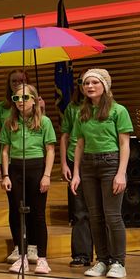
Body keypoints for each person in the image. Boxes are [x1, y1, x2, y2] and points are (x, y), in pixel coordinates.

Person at [71, 68, 133, 279]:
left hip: (110, 163)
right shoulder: (82, 112)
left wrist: (121, 173)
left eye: (94, 83)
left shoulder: (118, 110)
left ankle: (118, 261)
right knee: (94, 216)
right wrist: (76, 173)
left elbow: (125, 144)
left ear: (104, 86)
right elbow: (79, 144)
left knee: (112, 216)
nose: (89, 86)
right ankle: (102, 259)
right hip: (88, 166)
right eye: (86, 83)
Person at [0, 83, 55, 275]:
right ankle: (21, 256)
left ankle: (42, 258)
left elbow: (50, 150)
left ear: (34, 99)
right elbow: (5, 151)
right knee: (17, 213)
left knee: (37, 214)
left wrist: (47, 175)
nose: (20, 102)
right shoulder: (9, 122)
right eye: (16, 99)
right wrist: (6, 174)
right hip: (16, 170)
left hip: (37, 168)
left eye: (25, 98)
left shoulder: (44, 122)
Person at [60, 78, 93, 266]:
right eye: (82, 81)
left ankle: (106, 256)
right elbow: (65, 136)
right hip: (75, 160)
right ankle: (81, 254)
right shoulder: (72, 108)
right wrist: (64, 163)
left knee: (98, 211)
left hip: (98, 158)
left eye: (91, 81)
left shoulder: (107, 109)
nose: (86, 85)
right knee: (79, 211)